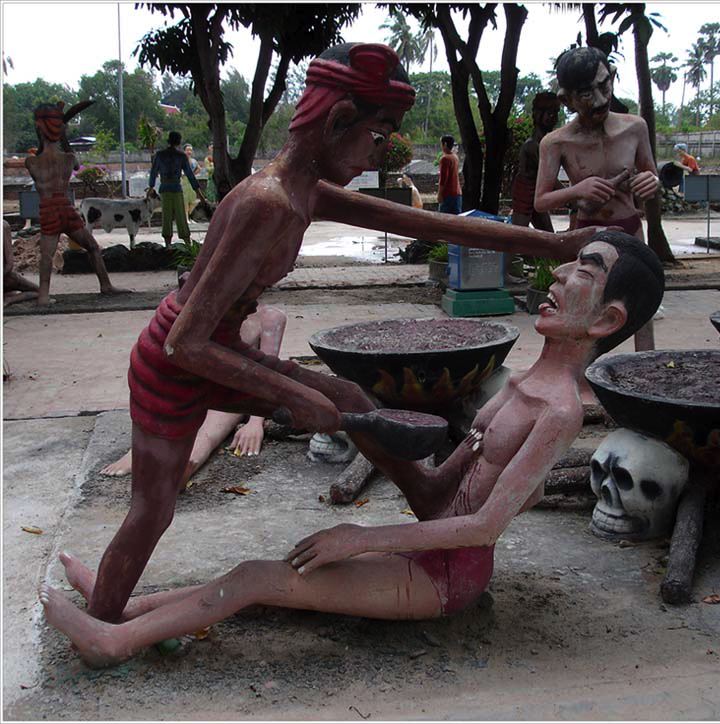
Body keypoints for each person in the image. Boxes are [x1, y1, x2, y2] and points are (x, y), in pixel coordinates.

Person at [74, 42, 605, 626]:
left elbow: (426, 223)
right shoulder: (269, 202)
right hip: (173, 366)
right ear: (338, 120)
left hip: (219, 350)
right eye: (379, 135)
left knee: (349, 396)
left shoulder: (307, 191)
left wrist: (552, 243)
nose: (380, 152)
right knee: (152, 511)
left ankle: (429, 498)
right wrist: (293, 395)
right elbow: (185, 344)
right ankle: (103, 621)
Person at [40, 230, 665, 668]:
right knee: (261, 574)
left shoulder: (560, 411)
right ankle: (129, 611)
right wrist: (380, 431)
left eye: (584, 272)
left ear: (606, 320)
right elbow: (441, 489)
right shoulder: (521, 381)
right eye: (569, 263)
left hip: (446, 578)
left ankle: (112, 643)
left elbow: (482, 527)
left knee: (258, 578)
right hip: (422, 550)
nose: (558, 274)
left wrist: (358, 537)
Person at [533, 45, 661, 350]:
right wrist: (578, 190)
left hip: (630, 230)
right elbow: (541, 200)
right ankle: (573, 368)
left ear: (612, 77)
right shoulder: (556, 142)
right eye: (586, 94)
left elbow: (651, 175)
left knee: (640, 304)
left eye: (604, 86)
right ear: (567, 99)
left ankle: (643, 364)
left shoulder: (635, 128)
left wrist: (650, 182)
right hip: (588, 234)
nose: (601, 100)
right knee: (580, 308)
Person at [99, 304, 287, 480]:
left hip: (234, 393)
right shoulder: (204, 311)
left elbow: (267, 379)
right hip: (197, 387)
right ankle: (138, 453)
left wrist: (255, 423)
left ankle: (183, 468)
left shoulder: (270, 318)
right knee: (165, 413)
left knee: (206, 438)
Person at [25, 101, 129, 306]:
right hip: (65, 208)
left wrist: (48, 135)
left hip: (49, 209)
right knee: (92, 247)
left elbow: (40, 151)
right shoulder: (68, 158)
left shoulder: (32, 162)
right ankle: (105, 284)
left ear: (40, 129)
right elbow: (76, 165)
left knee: (47, 256)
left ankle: (44, 295)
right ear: (60, 131)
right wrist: (63, 136)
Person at [511, 92, 562, 232]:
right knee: (517, 235)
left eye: (555, 113)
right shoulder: (532, 146)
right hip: (525, 192)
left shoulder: (545, 143)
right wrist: (572, 196)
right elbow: (548, 177)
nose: (553, 117)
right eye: (549, 113)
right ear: (538, 114)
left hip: (538, 192)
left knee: (548, 235)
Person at [148, 132, 207, 248]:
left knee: (166, 216)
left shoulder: (160, 155)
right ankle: (187, 243)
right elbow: (190, 175)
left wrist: (151, 187)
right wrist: (200, 194)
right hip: (176, 188)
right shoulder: (181, 156)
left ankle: (168, 244)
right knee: (181, 217)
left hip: (164, 188)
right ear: (179, 142)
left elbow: (153, 172)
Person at [3, 219, 40, 306]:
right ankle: (8, 300)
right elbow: (9, 265)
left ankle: (8, 297)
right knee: (40, 291)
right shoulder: (3, 225)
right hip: (6, 277)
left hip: (5, 277)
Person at [437, 135, 462, 214]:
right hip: (457, 193)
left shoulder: (445, 159)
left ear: (444, 144)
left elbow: (443, 179)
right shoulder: (455, 157)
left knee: (443, 219)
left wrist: (440, 194)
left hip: (448, 194)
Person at [182, 144, 201, 215]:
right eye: (187, 150)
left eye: (190, 150)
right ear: (184, 151)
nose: (189, 152)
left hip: (191, 181)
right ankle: (186, 216)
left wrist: (193, 174)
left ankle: (189, 215)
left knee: (193, 200)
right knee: (185, 200)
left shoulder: (193, 161)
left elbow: (199, 168)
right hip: (184, 181)